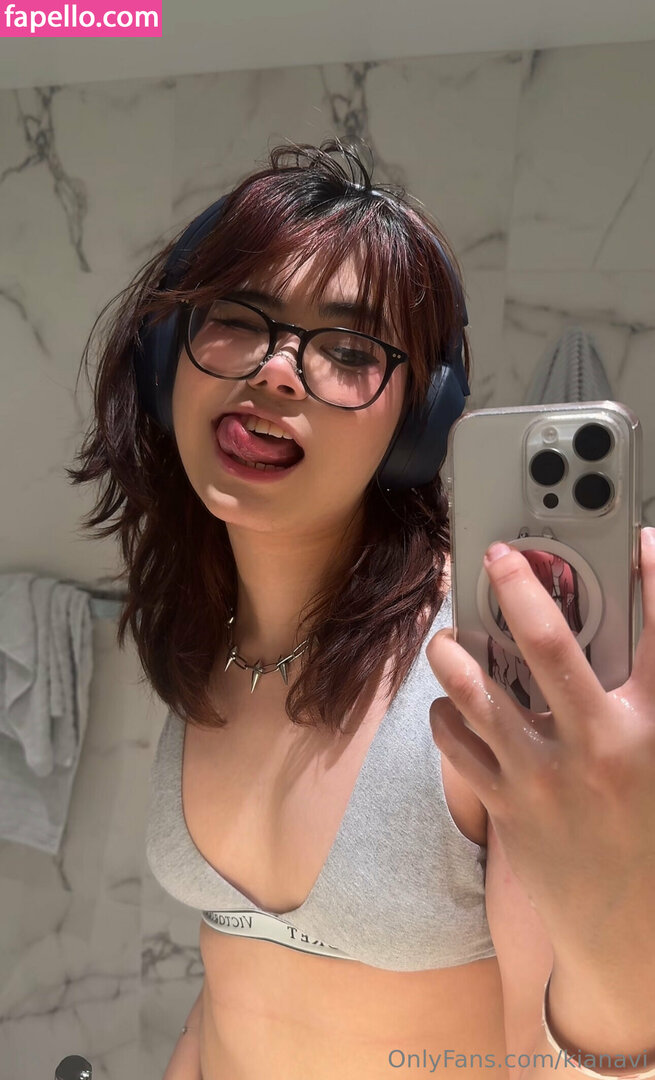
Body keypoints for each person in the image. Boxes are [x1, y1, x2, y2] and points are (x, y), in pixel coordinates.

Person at [68, 138, 655, 1080]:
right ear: (168, 357)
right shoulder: (207, 636)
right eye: (238, 319)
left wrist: (622, 924)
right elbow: (232, 991)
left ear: (416, 421)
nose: (277, 371)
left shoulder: (483, 667)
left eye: (348, 350)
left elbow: (544, 1058)